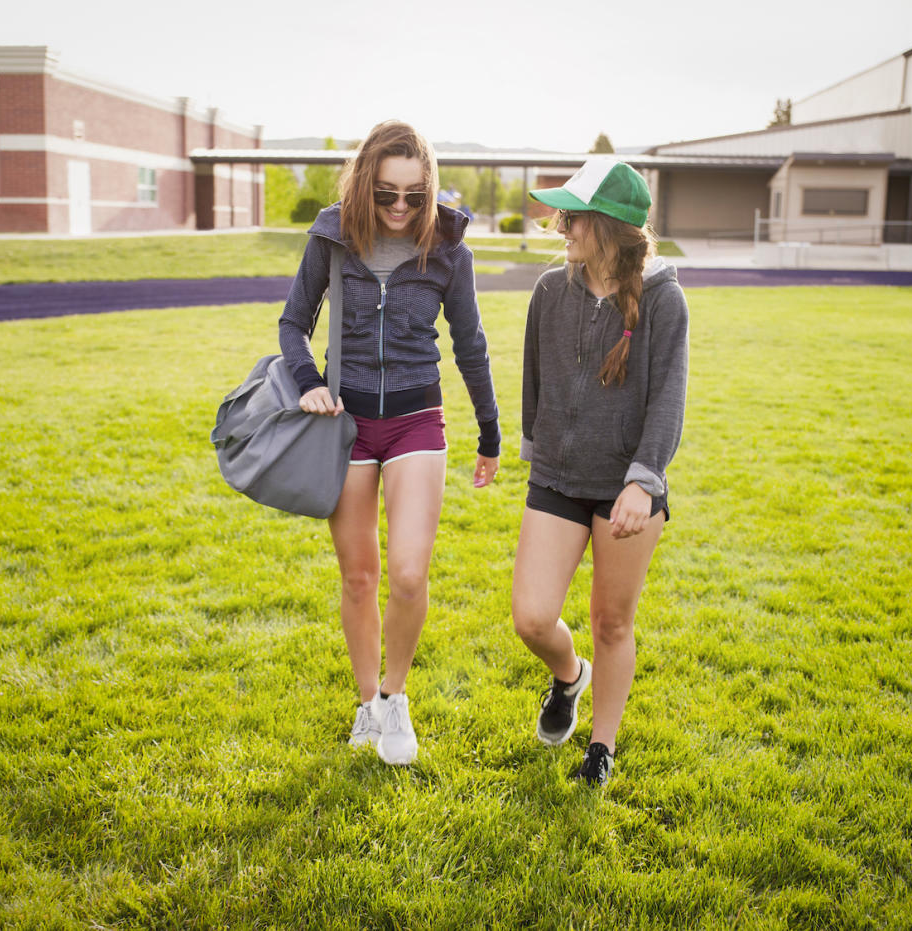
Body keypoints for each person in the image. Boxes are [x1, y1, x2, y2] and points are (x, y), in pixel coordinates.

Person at [278, 120, 501, 766]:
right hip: (345, 423)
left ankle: (395, 694)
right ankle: (366, 703)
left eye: (414, 194)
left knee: (406, 572)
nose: (401, 208)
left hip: (415, 419)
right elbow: (295, 322)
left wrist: (490, 430)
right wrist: (307, 381)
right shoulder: (331, 234)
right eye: (386, 195)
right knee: (358, 576)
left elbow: (471, 344)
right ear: (363, 186)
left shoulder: (449, 247)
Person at [512, 158, 688, 787]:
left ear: (609, 226)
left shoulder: (664, 299)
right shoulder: (549, 291)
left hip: (627, 491)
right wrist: (539, 450)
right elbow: (535, 378)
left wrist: (644, 479)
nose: (561, 226)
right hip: (558, 478)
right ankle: (568, 676)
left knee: (613, 622)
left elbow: (669, 396)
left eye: (573, 216)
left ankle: (601, 749)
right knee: (531, 618)